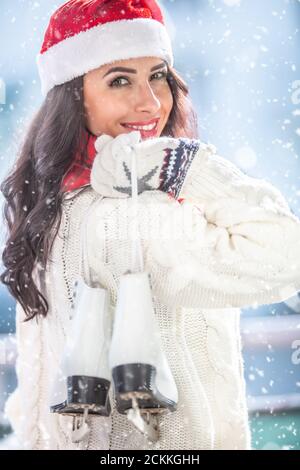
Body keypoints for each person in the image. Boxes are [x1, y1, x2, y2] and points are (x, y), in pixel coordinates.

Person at [1, 0, 300, 451]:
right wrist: (191, 166)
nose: (152, 102)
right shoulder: (136, 218)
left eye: (157, 75)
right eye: (120, 80)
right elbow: (287, 255)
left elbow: (39, 384)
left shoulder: (50, 207)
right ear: (73, 95)